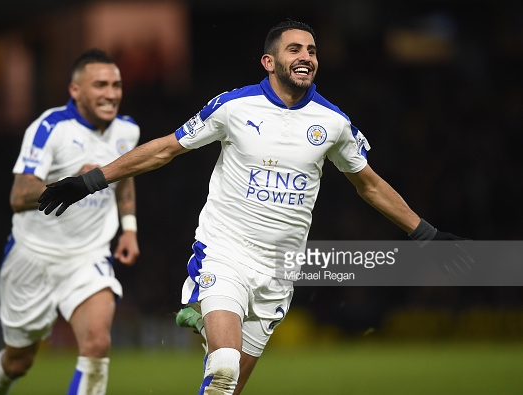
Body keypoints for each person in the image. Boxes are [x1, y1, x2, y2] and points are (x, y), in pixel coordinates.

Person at [37, 21, 470, 395]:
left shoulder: (333, 123)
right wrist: (90, 182)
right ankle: (207, 312)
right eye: (295, 49)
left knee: (226, 387)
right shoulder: (234, 106)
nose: (306, 57)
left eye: (312, 50)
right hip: (227, 253)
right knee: (223, 366)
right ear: (269, 61)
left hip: (280, 270)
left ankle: (203, 319)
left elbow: (369, 184)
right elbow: (165, 149)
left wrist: (426, 234)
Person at [0, 49, 140, 395]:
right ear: (75, 90)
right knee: (18, 362)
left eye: (116, 85)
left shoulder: (128, 131)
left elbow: (125, 177)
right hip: (32, 257)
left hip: (88, 256)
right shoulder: (49, 128)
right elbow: (19, 195)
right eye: (100, 85)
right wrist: (74, 182)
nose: (111, 93)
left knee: (97, 343)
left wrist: (129, 227)